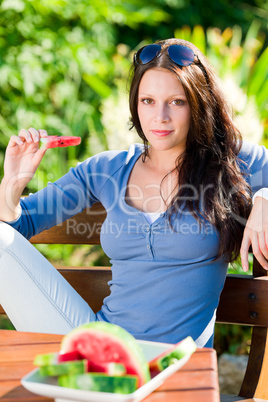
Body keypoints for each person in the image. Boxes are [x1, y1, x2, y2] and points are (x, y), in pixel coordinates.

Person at [0, 38, 268, 348]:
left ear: (198, 103)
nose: (160, 117)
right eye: (148, 101)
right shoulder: (107, 169)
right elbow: (17, 228)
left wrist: (264, 198)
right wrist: (11, 184)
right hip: (101, 349)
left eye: (177, 102)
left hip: (175, 365)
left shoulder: (227, 161)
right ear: (135, 103)